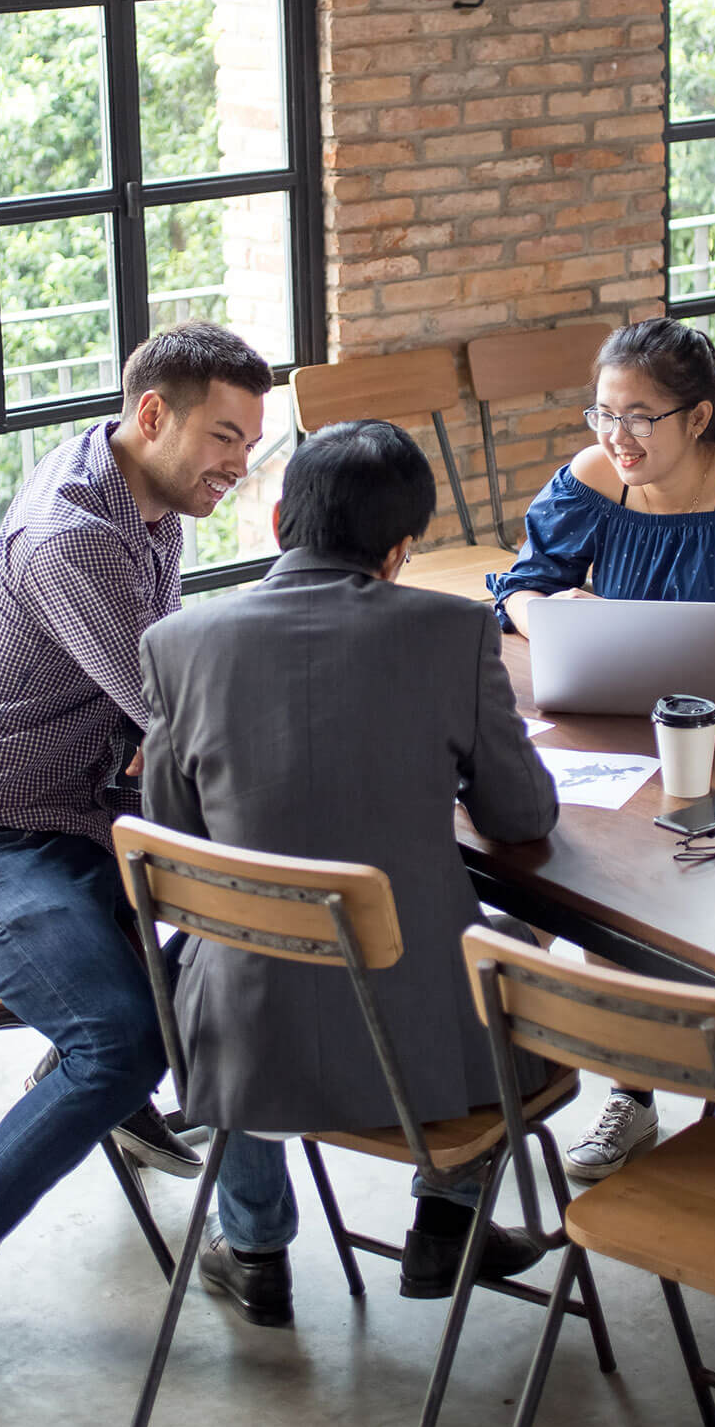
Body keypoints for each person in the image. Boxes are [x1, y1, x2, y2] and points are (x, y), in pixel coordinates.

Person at [0, 321, 272, 1397]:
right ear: (152, 415)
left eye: (249, 441)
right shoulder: (76, 536)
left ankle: (256, 1246)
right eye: (224, 437)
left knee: (242, 958)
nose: (239, 465)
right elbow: (171, 708)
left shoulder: (143, 497)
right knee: (119, 1037)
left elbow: (164, 702)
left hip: (88, 821)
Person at [138, 418, 559, 1326]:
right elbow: (521, 816)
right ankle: (446, 1215)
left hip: (247, 1040)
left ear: (282, 516)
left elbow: (174, 837)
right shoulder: (453, 633)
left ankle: (253, 1246)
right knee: (517, 950)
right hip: (423, 1051)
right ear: (402, 549)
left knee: (224, 952)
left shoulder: (179, 644)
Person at [488, 315, 715, 1184]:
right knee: (531, 872)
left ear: (698, 417)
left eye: (639, 417)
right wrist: (556, 623)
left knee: (612, 885)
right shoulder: (595, 477)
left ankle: (629, 1089)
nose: (616, 437)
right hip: (606, 726)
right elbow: (519, 587)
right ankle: (532, 1077)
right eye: (602, 414)